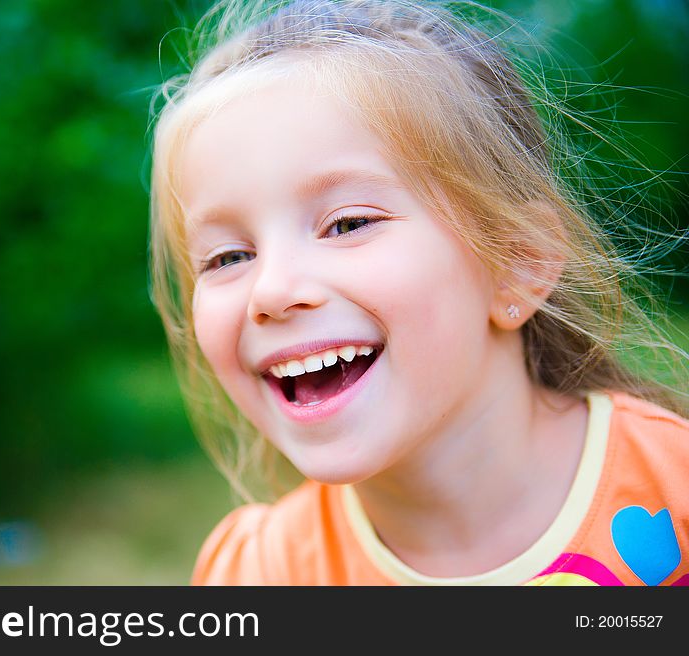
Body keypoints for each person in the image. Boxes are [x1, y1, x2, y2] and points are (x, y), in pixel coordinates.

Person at [147, 0, 689, 585]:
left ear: (517, 261)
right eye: (229, 258)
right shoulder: (264, 576)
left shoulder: (673, 485)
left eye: (348, 224)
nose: (272, 291)